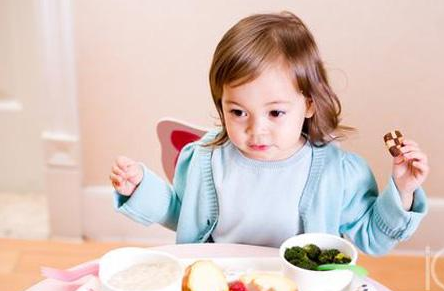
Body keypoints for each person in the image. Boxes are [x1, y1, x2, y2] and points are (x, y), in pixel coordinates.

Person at [109, 11, 429, 254]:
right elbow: (181, 213)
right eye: (238, 112)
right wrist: (140, 188)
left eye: (275, 112)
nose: (256, 129)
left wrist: (402, 191)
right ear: (221, 105)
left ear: (308, 104)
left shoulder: (336, 173)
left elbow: (373, 237)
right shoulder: (206, 159)